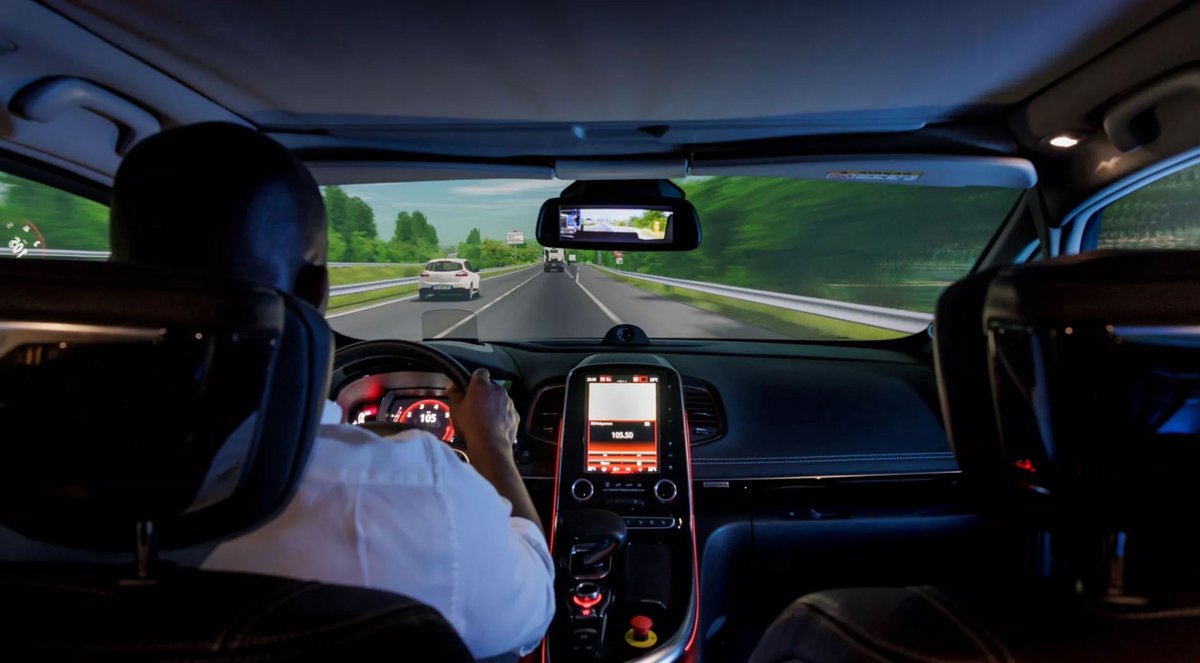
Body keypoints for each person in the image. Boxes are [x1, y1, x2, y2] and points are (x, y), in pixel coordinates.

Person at [95, 123, 556, 658]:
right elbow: (532, 610)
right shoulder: (426, 498)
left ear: (113, 277)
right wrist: (491, 444)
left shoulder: (31, 470)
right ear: (316, 292)